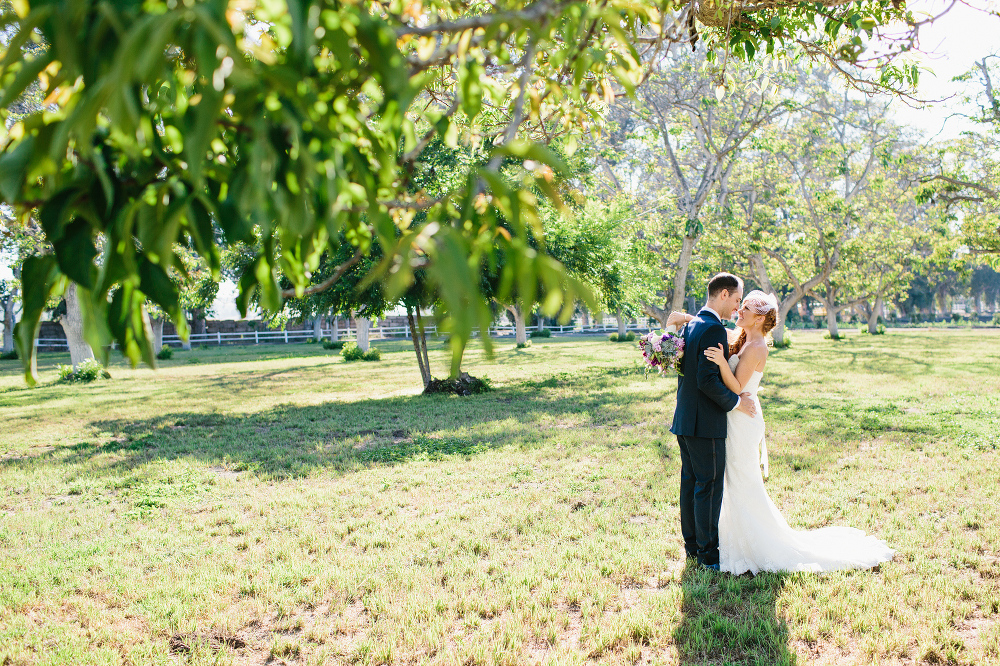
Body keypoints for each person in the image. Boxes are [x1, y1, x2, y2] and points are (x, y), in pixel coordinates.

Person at [674, 289, 895, 574]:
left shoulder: (757, 348)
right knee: (730, 479)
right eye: (740, 307)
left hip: (743, 419)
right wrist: (689, 318)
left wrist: (719, 363)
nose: (739, 311)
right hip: (734, 417)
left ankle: (756, 542)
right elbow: (713, 326)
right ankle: (726, 538)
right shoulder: (743, 338)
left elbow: (736, 389)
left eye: (746, 310)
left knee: (742, 479)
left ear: (759, 319)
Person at [667, 273, 757, 570]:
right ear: (723, 295)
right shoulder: (713, 329)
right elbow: (707, 380)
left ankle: (692, 546)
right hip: (705, 423)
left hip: (684, 420)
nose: (736, 306)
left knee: (690, 483)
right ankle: (708, 556)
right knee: (708, 487)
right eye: (735, 299)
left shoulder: (693, 325)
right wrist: (736, 403)